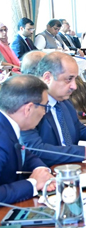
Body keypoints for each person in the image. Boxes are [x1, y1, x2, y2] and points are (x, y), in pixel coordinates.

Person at [0, 75, 55, 203]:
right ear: (28, 109)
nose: (44, 113)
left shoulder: (8, 124)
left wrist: (40, 170)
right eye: (44, 106)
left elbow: (24, 153)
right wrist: (33, 183)